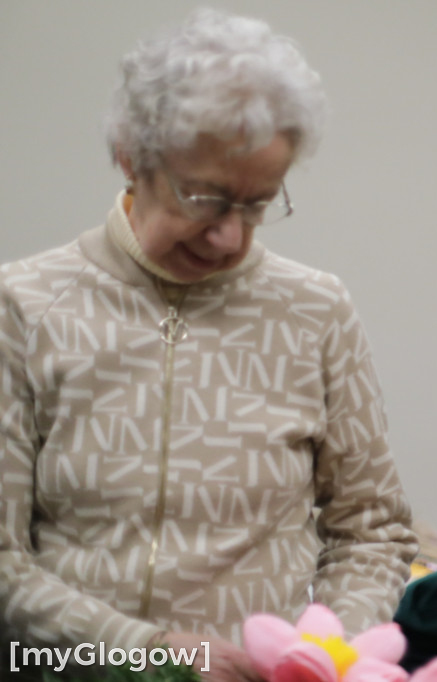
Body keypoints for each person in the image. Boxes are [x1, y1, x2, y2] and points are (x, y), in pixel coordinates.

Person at [0, 9, 416, 681]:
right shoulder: (22, 305)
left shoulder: (315, 312)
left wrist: (320, 657)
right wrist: (148, 652)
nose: (230, 238)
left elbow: (370, 531)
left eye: (256, 205)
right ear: (131, 156)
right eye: (206, 199)